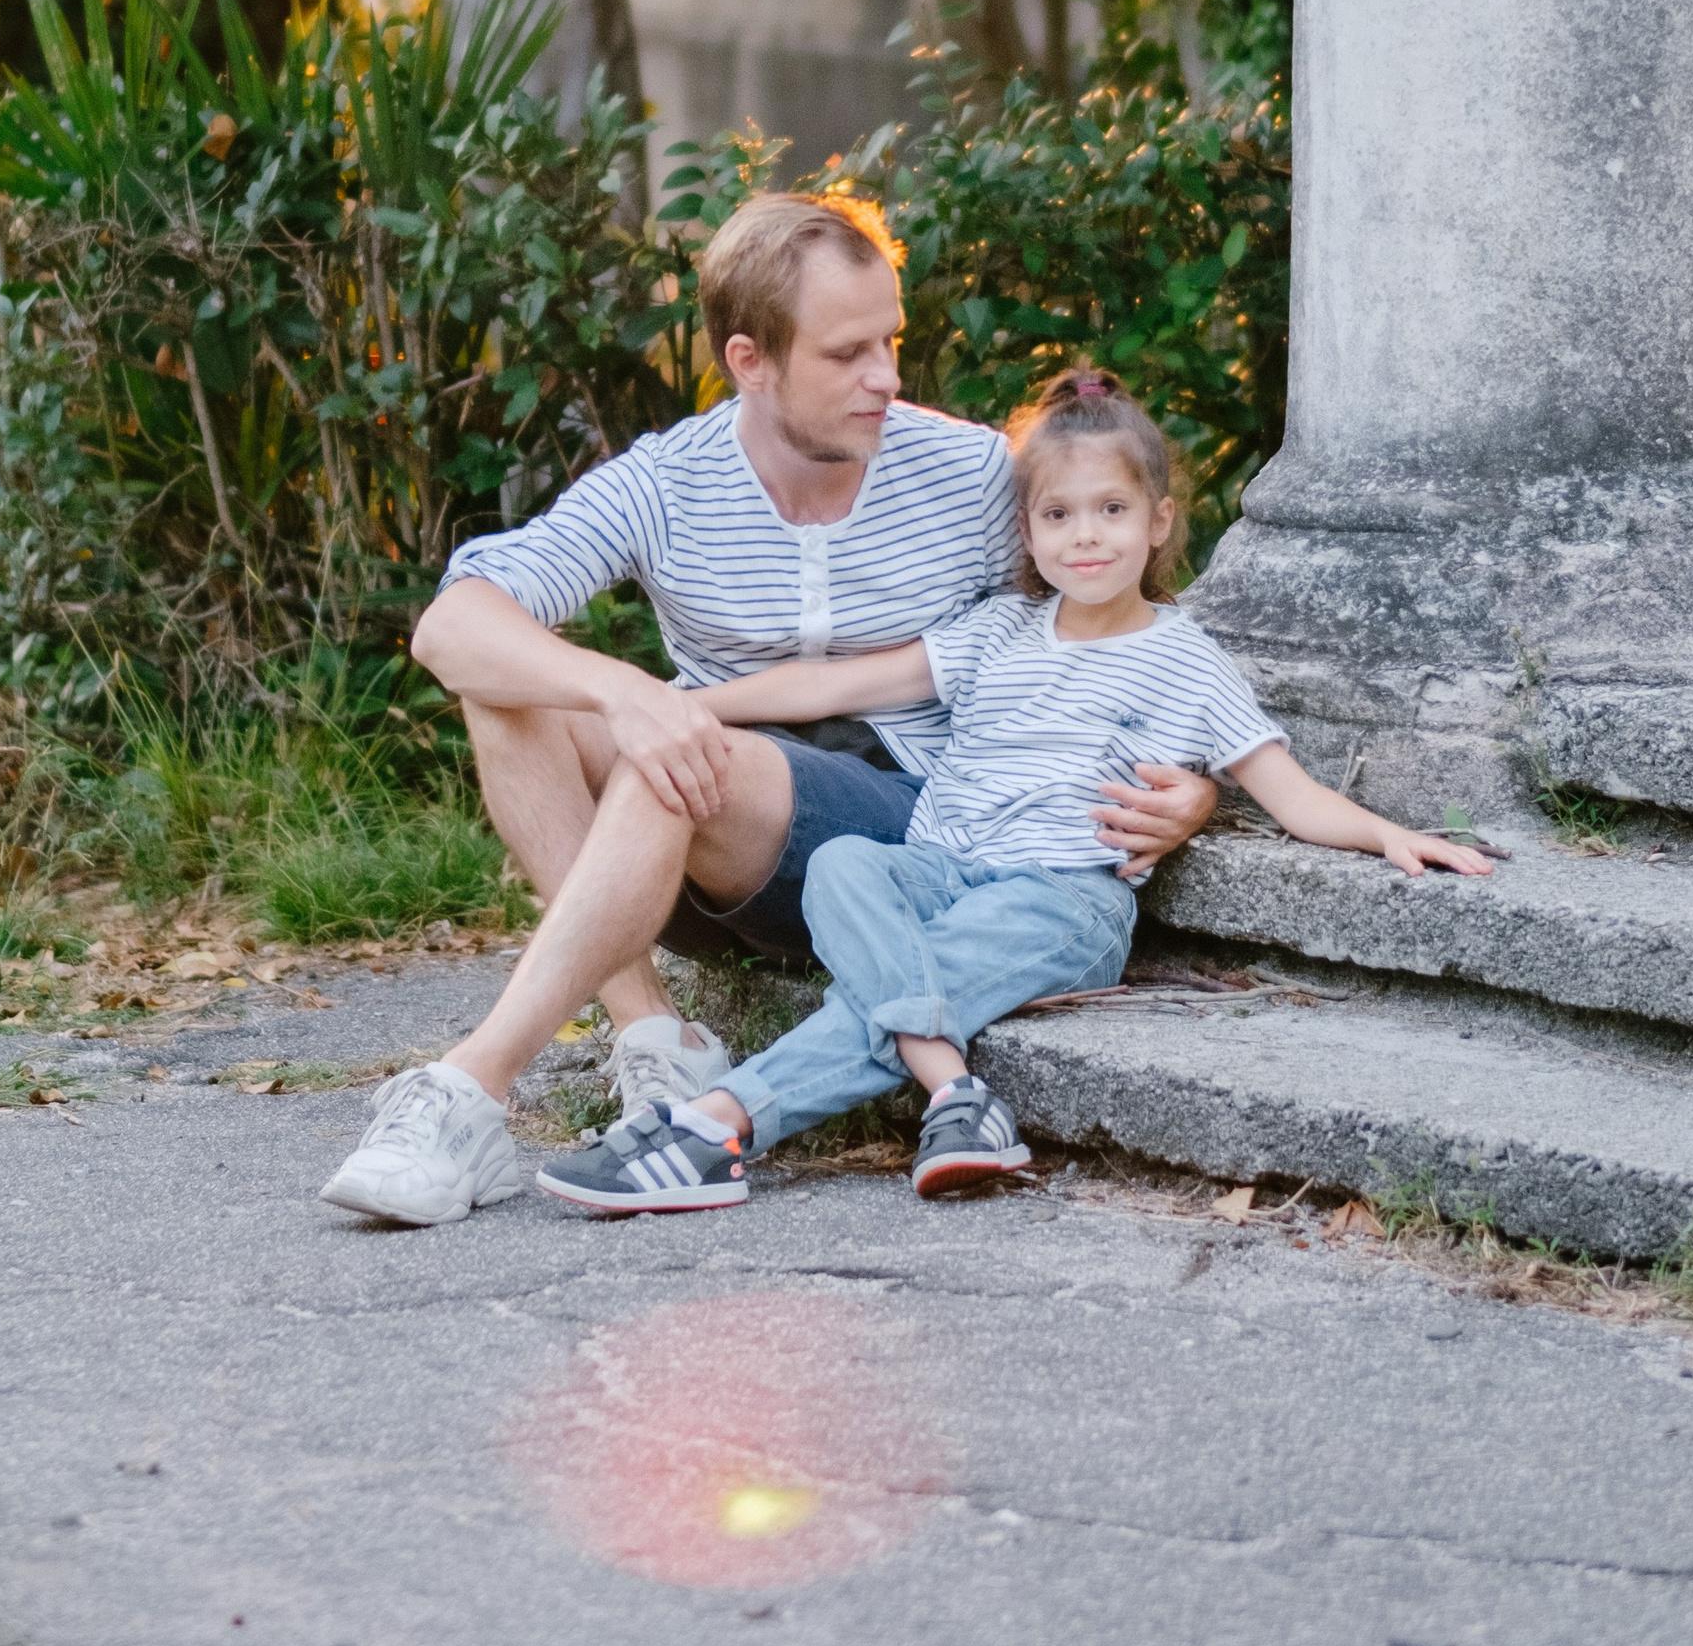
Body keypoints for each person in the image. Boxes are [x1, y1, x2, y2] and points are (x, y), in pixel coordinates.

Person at [317, 197, 1219, 1229]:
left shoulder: (969, 473)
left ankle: (470, 1087)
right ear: (750, 361)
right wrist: (622, 690)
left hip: (909, 842)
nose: (885, 378)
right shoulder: (670, 481)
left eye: (890, 342)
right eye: (847, 354)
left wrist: (1193, 785)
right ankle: (655, 1039)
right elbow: (451, 627)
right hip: (709, 841)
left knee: (671, 750)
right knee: (510, 692)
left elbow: (1117, 626)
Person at [534, 364, 1495, 1215]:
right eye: (1058, 515)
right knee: (842, 864)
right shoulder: (998, 632)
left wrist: (1387, 835)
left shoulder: (1186, 660)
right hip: (938, 870)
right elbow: (827, 687)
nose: (1086, 537)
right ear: (1026, 530)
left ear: (1159, 521)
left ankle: (714, 1125)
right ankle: (955, 1093)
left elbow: (1290, 794)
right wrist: (669, 706)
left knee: (905, 982)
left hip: (1060, 898)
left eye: (1112, 511)